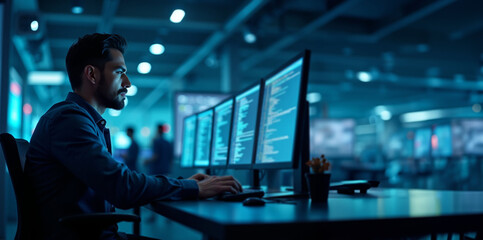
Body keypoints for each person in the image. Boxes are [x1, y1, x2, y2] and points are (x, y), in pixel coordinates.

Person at [25, 33, 242, 240]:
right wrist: (191, 188)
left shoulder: (81, 121)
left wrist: (182, 184)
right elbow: (121, 186)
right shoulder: (69, 120)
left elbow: (118, 182)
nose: (127, 83)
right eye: (119, 72)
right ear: (92, 74)